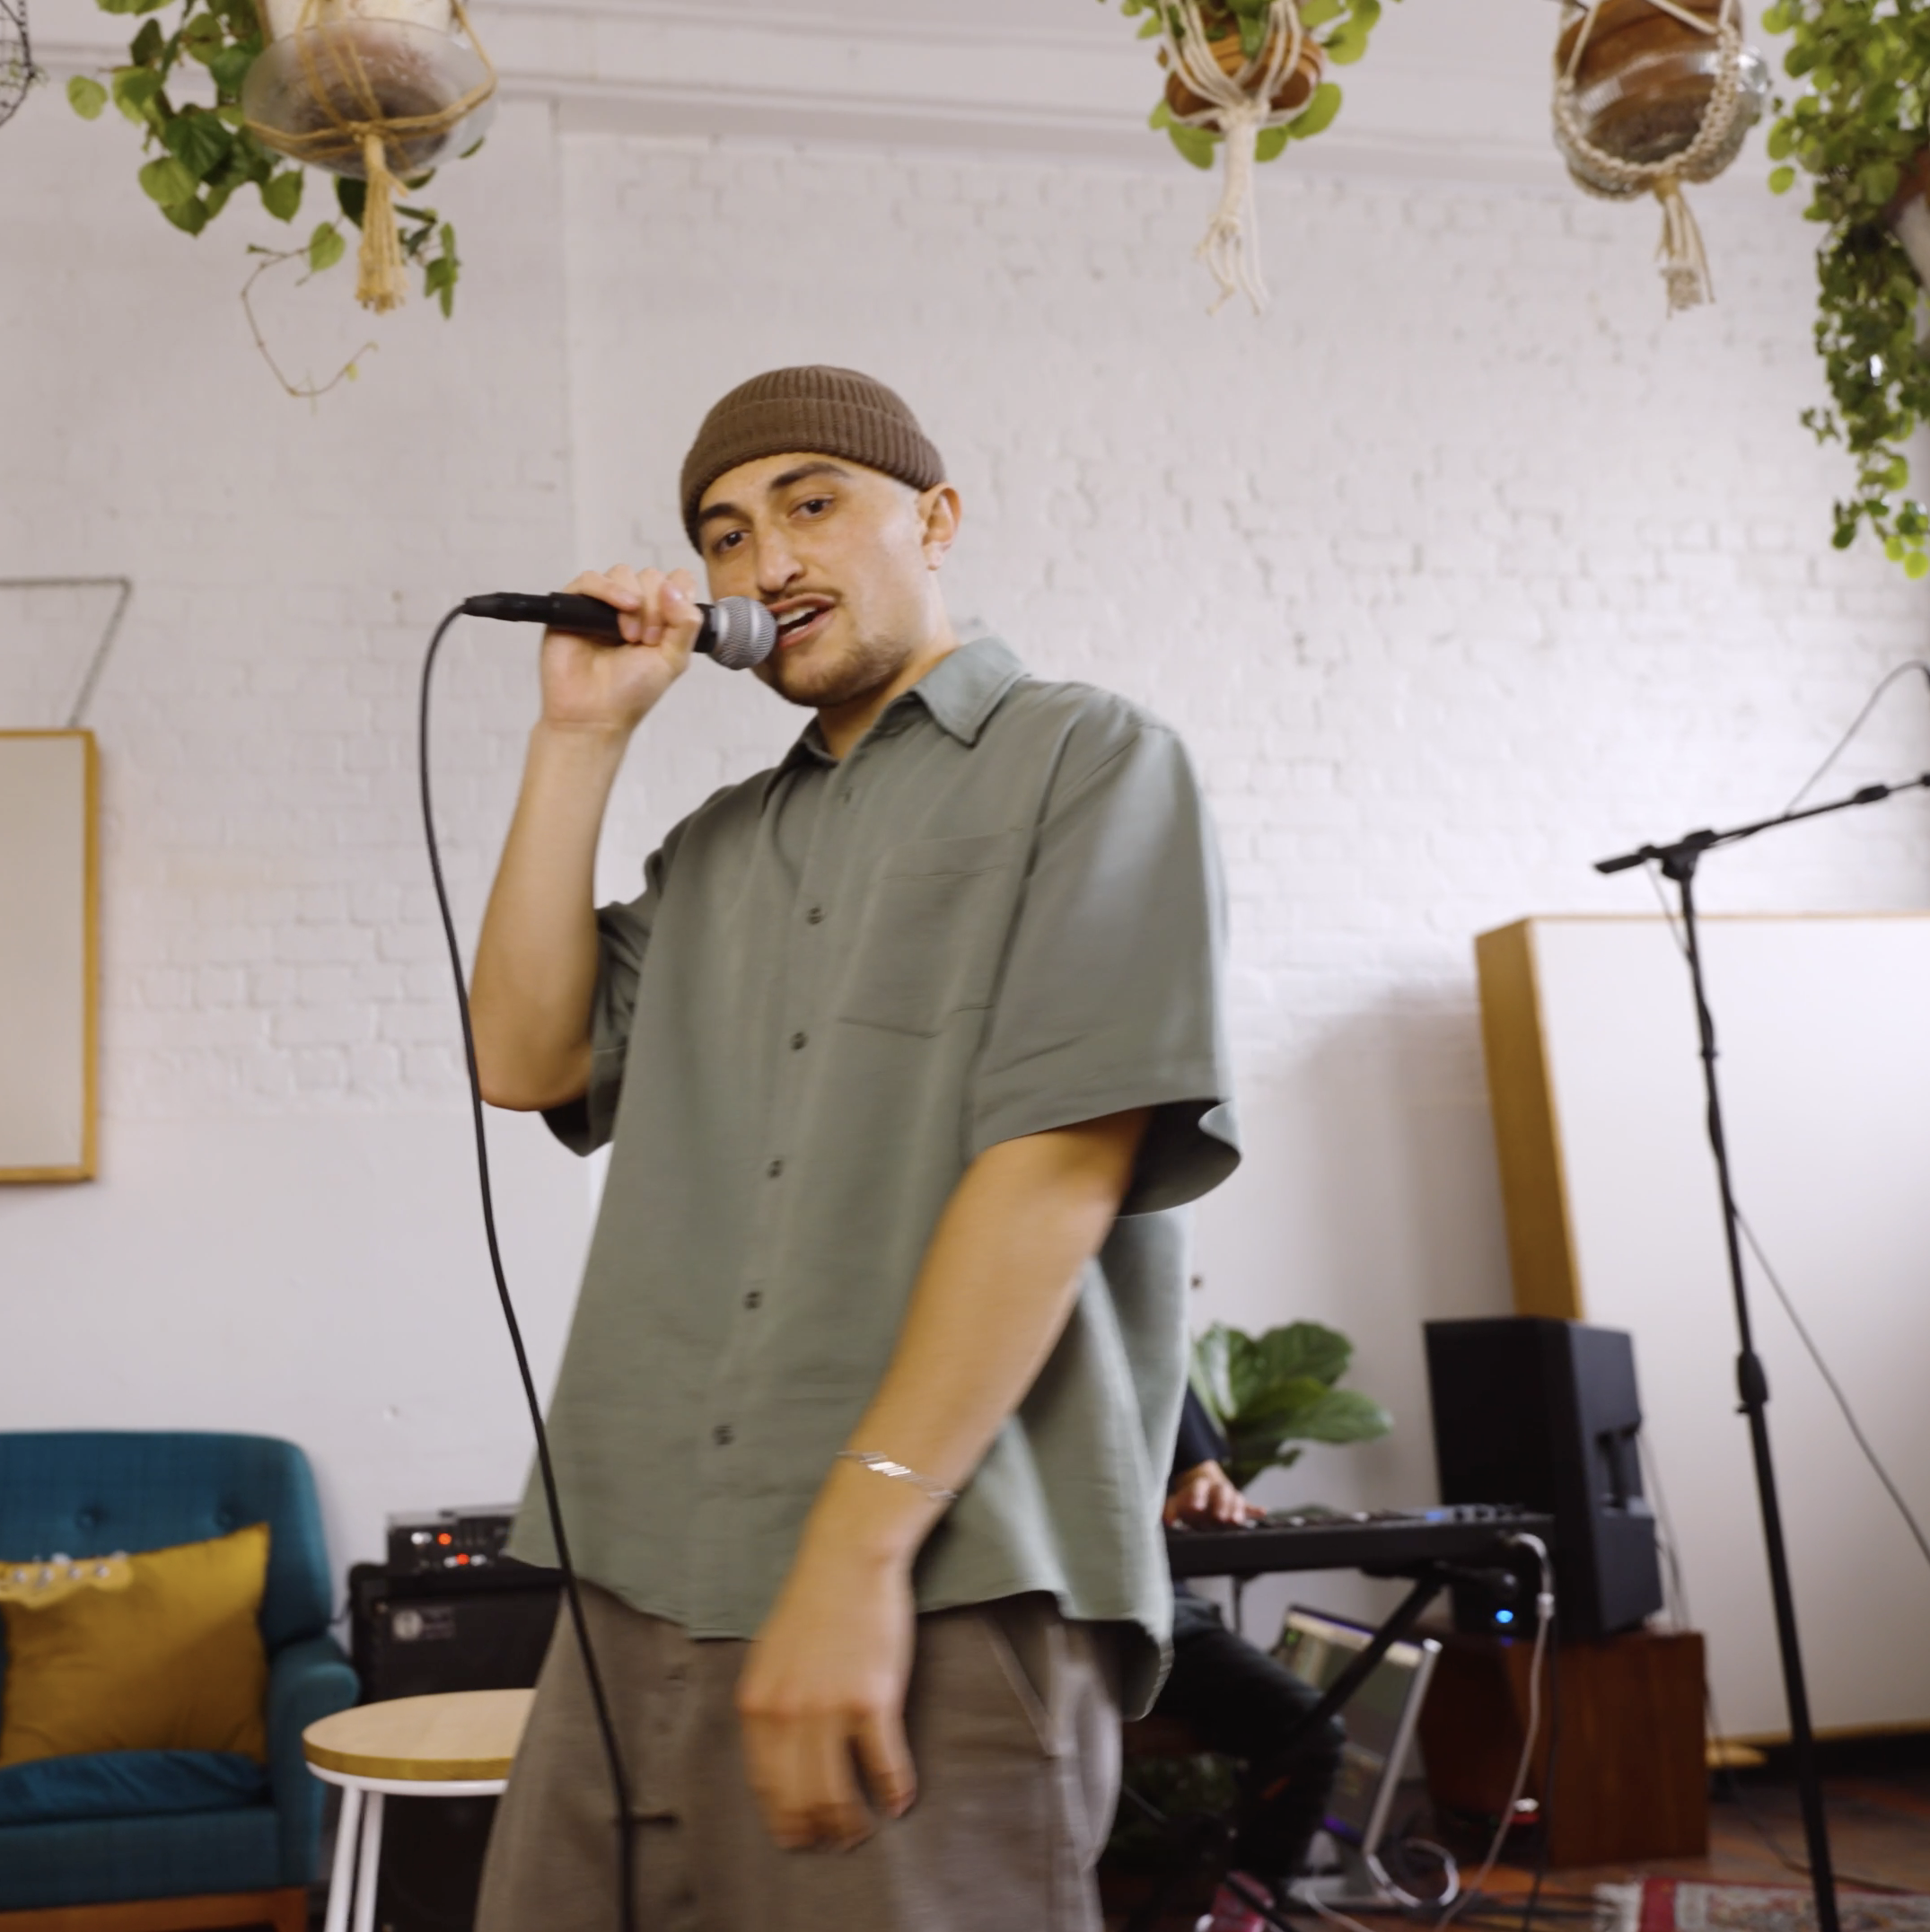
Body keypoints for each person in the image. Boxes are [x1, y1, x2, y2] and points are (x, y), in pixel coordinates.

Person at [466, 364, 1238, 1930]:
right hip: (636, 1577)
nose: (767, 562)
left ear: (935, 520)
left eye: (810, 504)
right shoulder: (714, 852)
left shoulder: (1088, 761)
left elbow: (1055, 1173)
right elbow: (522, 1055)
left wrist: (853, 1549)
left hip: (934, 1580)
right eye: (724, 535)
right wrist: (578, 737)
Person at [1153, 1389, 1344, 1921]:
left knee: (1309, 1729)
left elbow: (1203, 1478)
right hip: (1034, 1616)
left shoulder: (1145, 1350)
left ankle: (1241, 1912)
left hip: (1159, 1613)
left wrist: (1209, 1492)